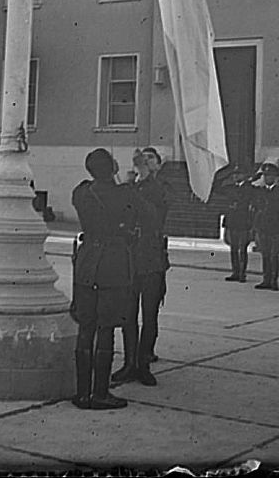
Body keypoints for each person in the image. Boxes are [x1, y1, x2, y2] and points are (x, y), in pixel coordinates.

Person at [70, 148, 138, 410]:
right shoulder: (125, 194)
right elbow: (142, 216)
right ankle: (100, 393)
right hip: (113, 264)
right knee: (106, 328)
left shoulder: (81, 192)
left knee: (86, 328)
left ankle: (82, 393)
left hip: (87, 263)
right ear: (113, 168)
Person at [111, 146, 170, 386]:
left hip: (152, 260)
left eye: (150, 159)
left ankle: (143, 362)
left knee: (149, 314)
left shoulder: (161, 188)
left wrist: (138, 183)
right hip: (131, 260)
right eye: (142, 159)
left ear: (157, 164)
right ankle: (130, 362)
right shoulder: (133, 187)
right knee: (128, 315)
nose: (144, 163)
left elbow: (152, 216)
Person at [251, 161, 279, 290]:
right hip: (263, 227)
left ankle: (274, 280)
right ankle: (266, 279)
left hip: (276, 228)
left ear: (275, 177)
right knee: (265, 254)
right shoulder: (260, 191)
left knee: (274, 255)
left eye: (269, 175)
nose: (266, 178)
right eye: (264, 175)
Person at [222, 164, 254, 283]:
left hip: (244, 222)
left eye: (238, 174)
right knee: (233, 248)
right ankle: (235, 272)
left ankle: (242, 273)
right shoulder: (230, 188)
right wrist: (226, 173)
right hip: (232, 221)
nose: (235, 176)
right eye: (234, 174)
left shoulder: (249, 188)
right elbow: (216, 186)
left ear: (244, 175)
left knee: (242, 248)